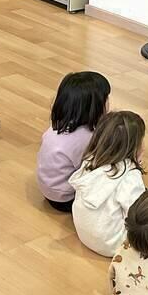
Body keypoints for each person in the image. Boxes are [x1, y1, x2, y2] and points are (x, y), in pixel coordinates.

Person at [68, 111, 147, 256]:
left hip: (84, 233)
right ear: (134, 147)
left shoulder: (90, 160)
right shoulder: (130, 176)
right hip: (113, 245)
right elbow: (137, 214)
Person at [37, 71, 111, 212]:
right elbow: (92, 170)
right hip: (65, 198)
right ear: (94, 106)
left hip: (48, 189)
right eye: (106, 98)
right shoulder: (85, 137)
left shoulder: (58, 126)